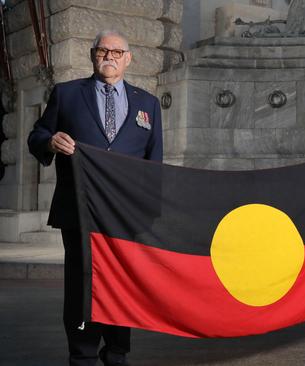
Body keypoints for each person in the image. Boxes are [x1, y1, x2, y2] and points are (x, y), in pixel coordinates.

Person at [27, 30, 163, 366]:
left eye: (118, 52)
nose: (110, 56)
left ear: (128, 59)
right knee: (82, 283)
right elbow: (37, 135)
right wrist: (49, 141)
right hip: (78, 209)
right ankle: (83, 354)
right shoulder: (67, 94)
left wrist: (151, 210)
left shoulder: (147, 103)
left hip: (126, 213)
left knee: (123, 283)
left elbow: (154, 160)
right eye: (103, 50)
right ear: (92, 55)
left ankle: (117, 352)